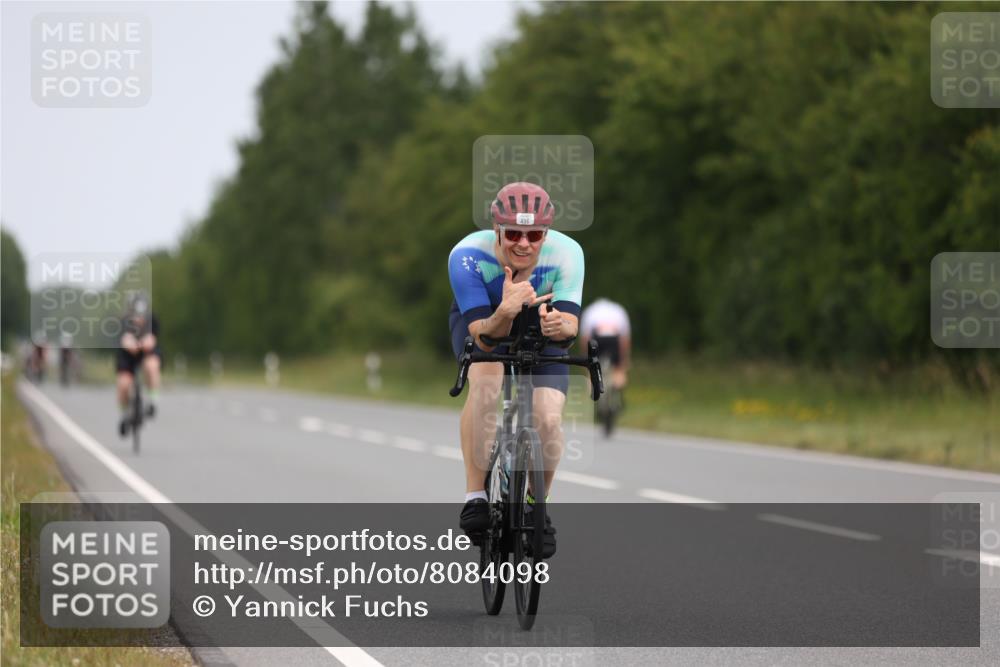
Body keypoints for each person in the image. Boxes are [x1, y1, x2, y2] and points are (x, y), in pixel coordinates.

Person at [448, 182, 584, 558]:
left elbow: (571, 323)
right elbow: (483, 338)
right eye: (513, 234)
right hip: (485, 321)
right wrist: (505, 311)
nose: (524, 243)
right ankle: (476, 495)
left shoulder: (568, 252)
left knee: (548, 417)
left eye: (534, 234)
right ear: (497, 230)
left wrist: (562, 326)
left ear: (547, 234)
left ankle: (535, 505)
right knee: (487, 381)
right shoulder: (467, 256)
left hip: (540, 325)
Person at [116, 293, 162, 436]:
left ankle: (152, 401)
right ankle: (124, 414)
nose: (138, 319)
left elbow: (152, 338)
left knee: (152, 366)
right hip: (127, 355)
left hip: (146, 352)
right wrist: (129, 343)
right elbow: (123, 339)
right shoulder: (123, 322)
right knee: (123, 384)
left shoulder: (152, 320)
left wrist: (146, 342)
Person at [579, 298, 632, 391]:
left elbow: (585, 338)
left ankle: (592, 386)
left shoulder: (590, 310)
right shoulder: (618, 309)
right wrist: (623, 361)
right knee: (618, 369)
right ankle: (618, 385)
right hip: (614, 338)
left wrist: (586, 359)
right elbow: (624, 339)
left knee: (592, 369)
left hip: (596, 338)